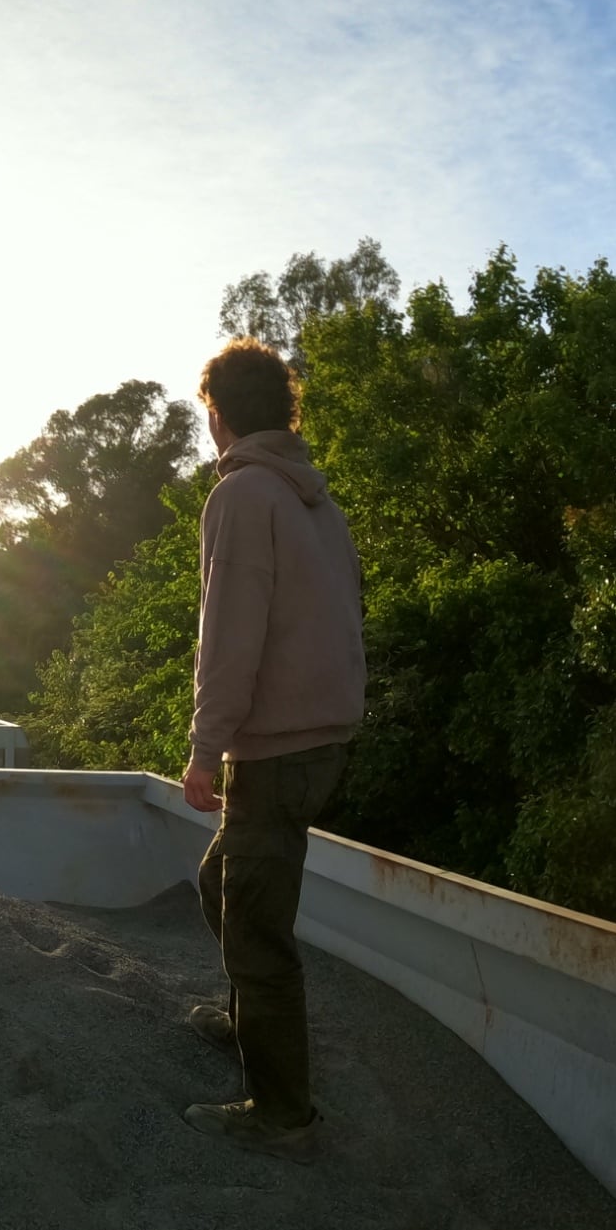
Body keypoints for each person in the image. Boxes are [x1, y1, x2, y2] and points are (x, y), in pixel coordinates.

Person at [176, 337, 366, 1159]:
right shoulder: (317, 502)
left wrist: (205, 748)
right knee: (221, 880)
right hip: (321, 740)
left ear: (218, 415)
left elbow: (230, 636)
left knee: (257, 929)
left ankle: (283, 1115)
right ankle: (248, 1021)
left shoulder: (244, 495)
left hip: (276, 748)